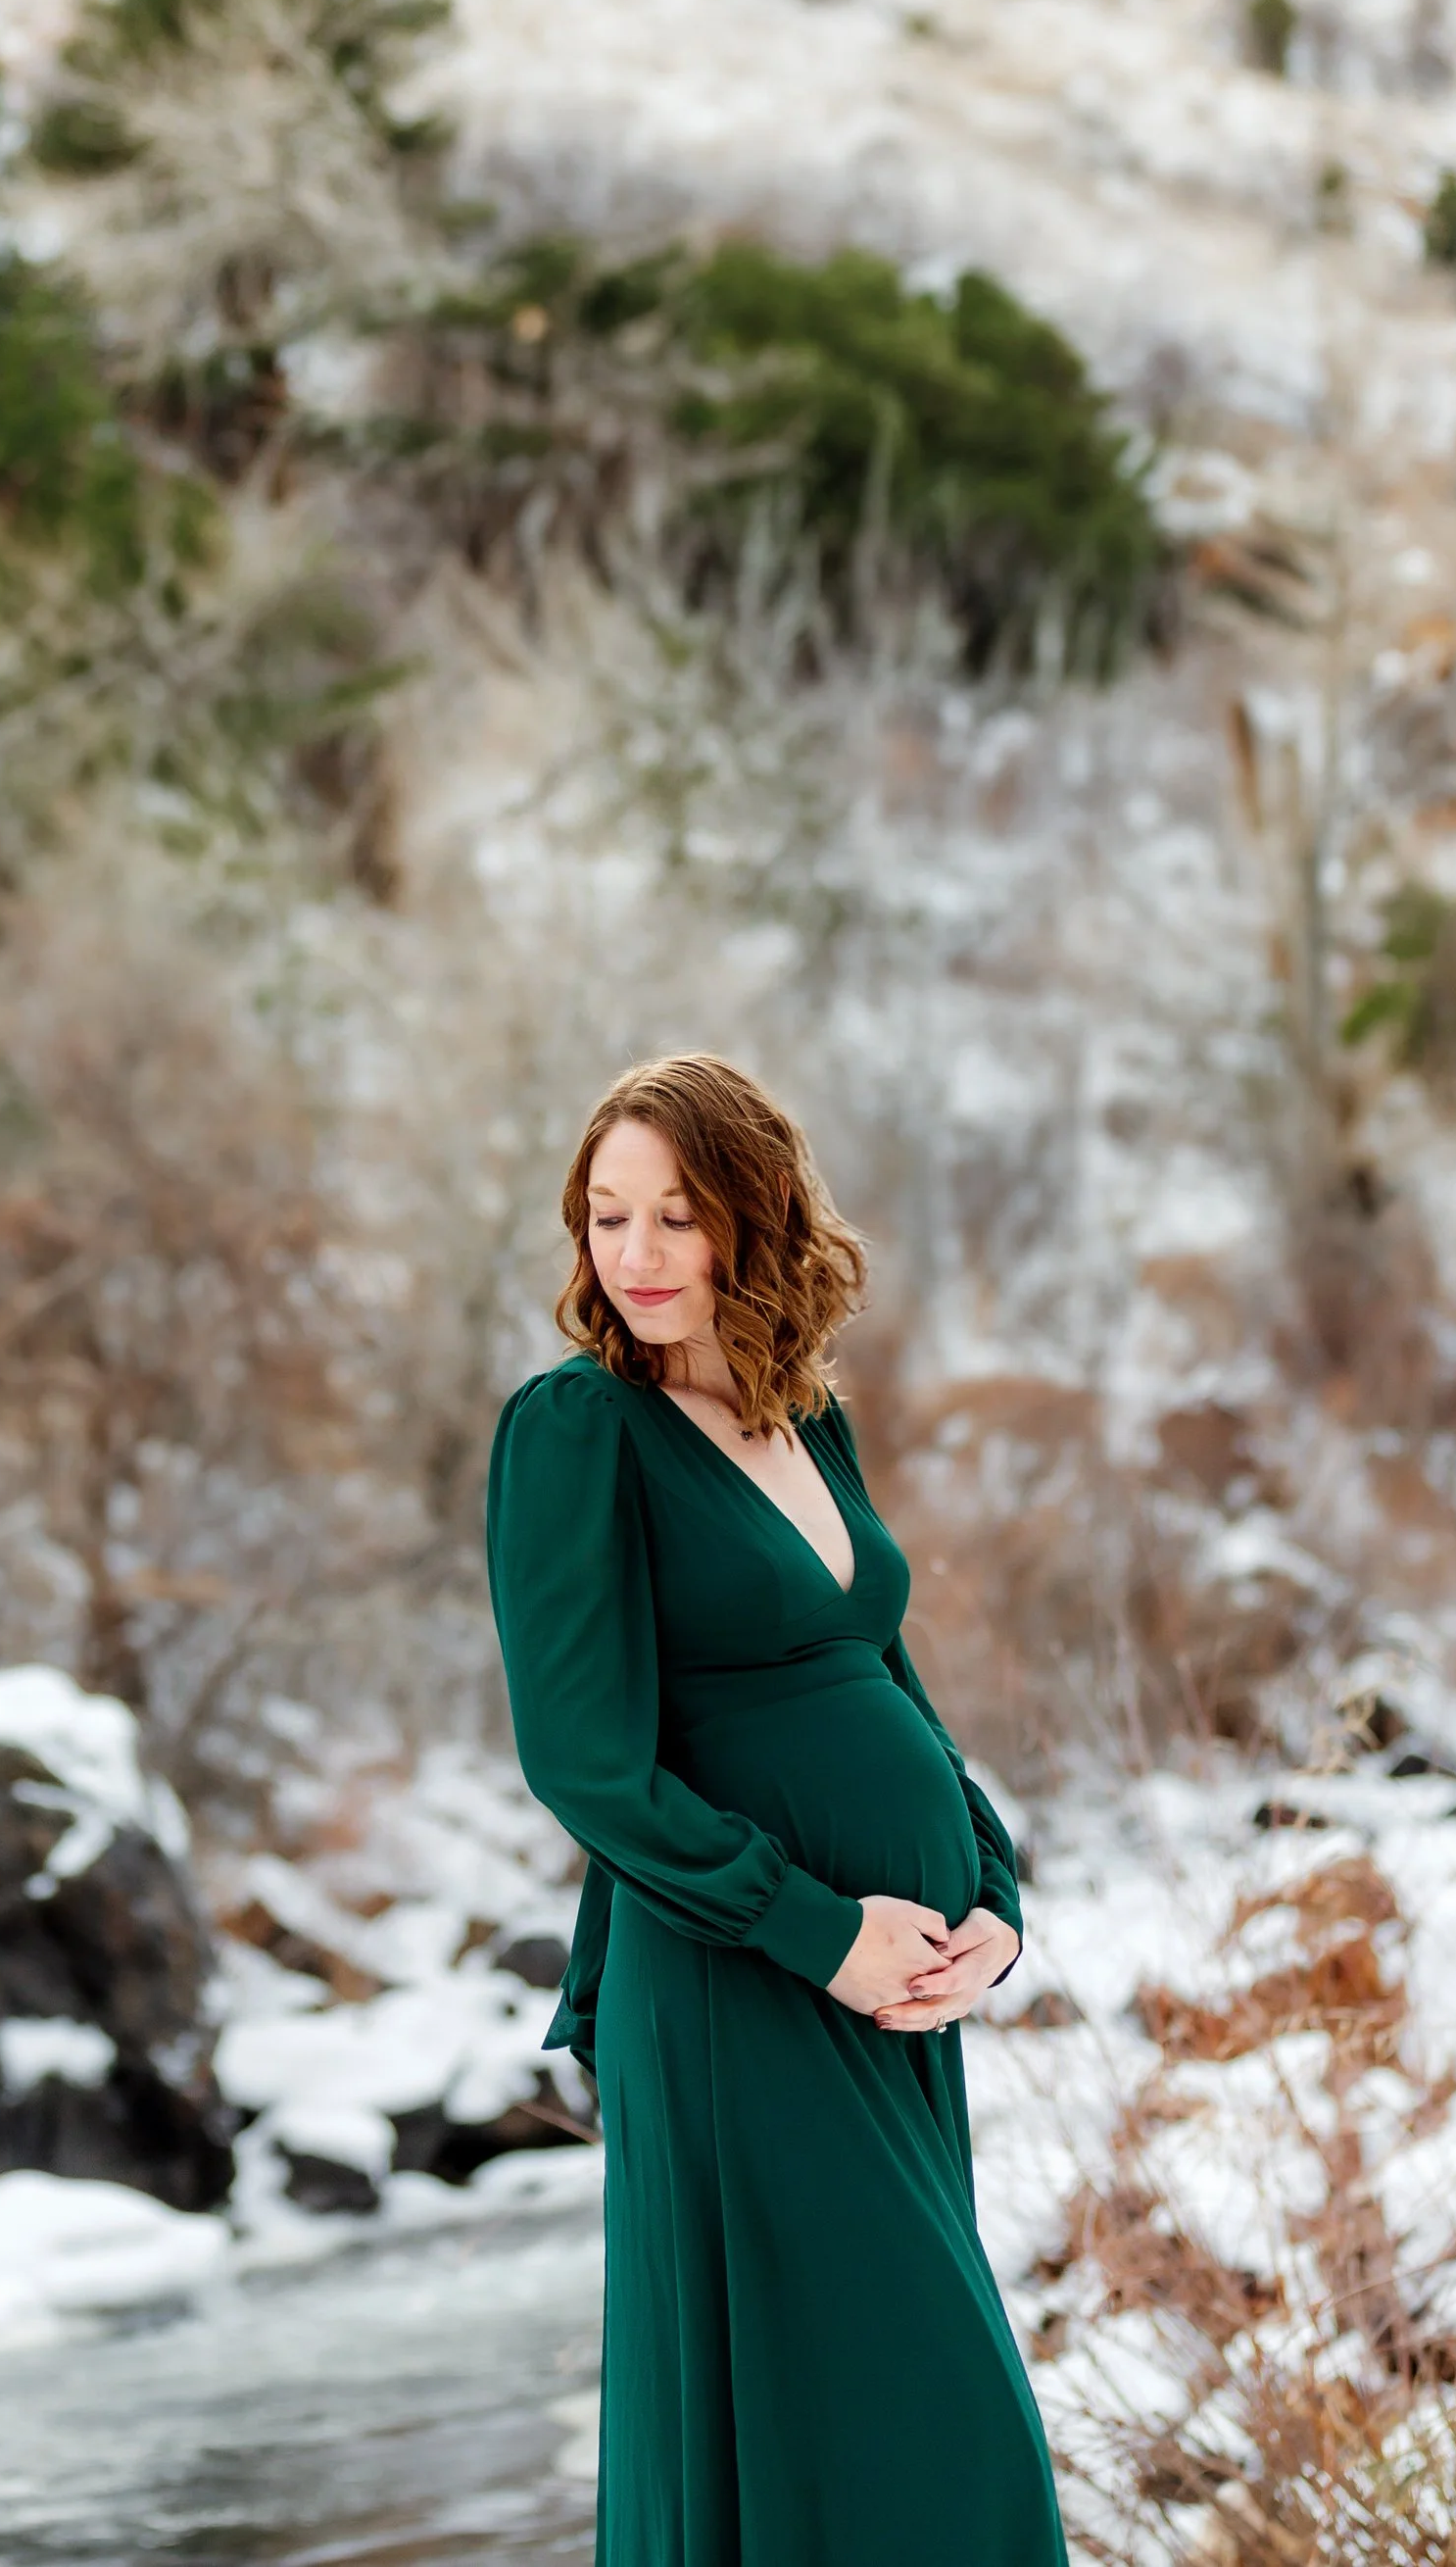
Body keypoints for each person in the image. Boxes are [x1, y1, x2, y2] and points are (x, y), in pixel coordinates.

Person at [485, 1054, 1067, 2567]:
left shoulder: (808, 1419)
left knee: (871, 2438)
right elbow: (587, 1764)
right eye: (608, 1213)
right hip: (738, 1981)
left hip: (898, 1995)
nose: (636, 1251)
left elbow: (889, 1683)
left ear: (757, 1216)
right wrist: (822, 1933)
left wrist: (993, 1899)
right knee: (930, 2425)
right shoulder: (577, 1430)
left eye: (677, 1213)